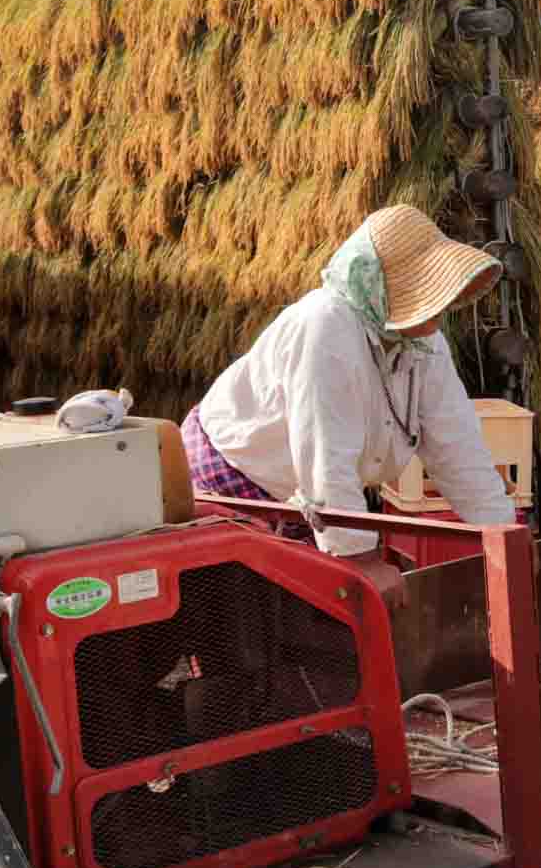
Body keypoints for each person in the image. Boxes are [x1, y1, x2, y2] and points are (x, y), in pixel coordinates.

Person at [183, 205, 521, 606]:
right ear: (375, 286)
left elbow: (456, 444)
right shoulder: (324, 328)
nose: (439, 309)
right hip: (234, 479)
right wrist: (360, 560)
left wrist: (503, 535)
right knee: (253, 624)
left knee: (305, 628)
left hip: (304, 495)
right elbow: (325, 459)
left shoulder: (424, 343)